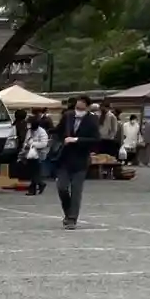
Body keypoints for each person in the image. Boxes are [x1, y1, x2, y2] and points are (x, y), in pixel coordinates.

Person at [53, 95, 100, 228]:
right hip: (65, 158)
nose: (79, 104)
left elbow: (96, 139)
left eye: (82, 103)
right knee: (61, 187)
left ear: (87, 106)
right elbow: (58, 131)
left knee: (76, 190)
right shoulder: (68, 115)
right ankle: (68, 212)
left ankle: (72, 219)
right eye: (78, 102)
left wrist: (77, 140)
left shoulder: (92, 119)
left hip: (81, 159)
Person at [19, 114, 50, 194]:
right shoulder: (29, 131)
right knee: (33, 172)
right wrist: (25, 147)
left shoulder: (42, 132)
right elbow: (26, 141)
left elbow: (44, 143)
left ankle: (33, 189)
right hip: (30, 154)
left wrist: (32, 144)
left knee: (34, 172)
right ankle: (40, 184)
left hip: (39, 155)